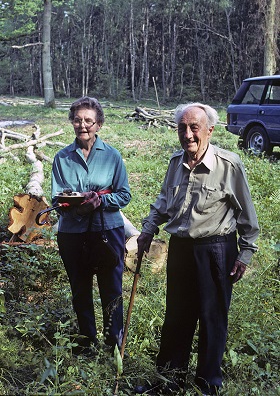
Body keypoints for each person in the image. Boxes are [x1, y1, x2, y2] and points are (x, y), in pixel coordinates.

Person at [135, 103, 259, 395]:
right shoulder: (175, 162)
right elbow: (163, 202)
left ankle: (208, 386)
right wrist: (147, 229)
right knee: (176, 316)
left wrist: (245, 252)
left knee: (212, 318)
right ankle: (169, 382)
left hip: (215, 250)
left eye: (194, 128)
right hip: (180, 250)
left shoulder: (229, 165)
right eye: (182, 128)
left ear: (209, 130)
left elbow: (248, 217)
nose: (188, 134)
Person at [51, 96, 131, 355]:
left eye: (88, 120)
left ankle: (114, 344)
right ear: (71, 123)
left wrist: (100, 201)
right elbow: (57, 198)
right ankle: (86, 343)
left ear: (99, 124)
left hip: (107, 231)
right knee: (80, 290)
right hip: (72, 233)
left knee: (112, 290)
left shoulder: (112, 156)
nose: (82, 125)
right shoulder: (62, 158)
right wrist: (74, 205)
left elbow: (124, 195)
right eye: (77, 120)